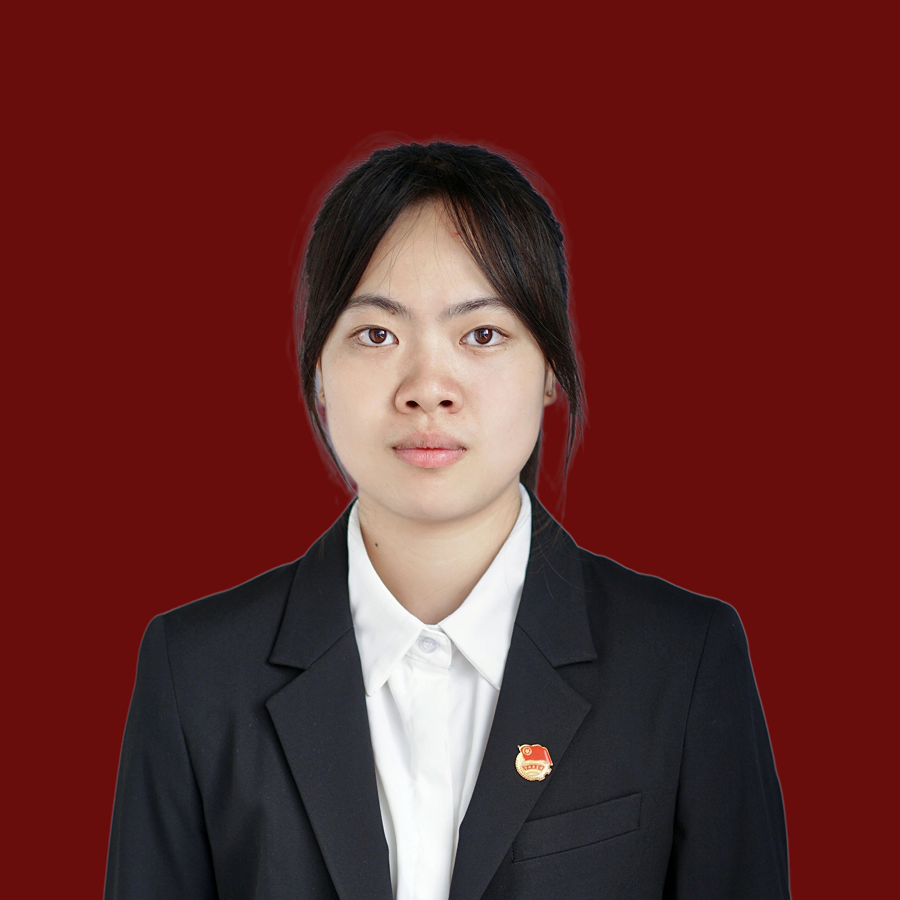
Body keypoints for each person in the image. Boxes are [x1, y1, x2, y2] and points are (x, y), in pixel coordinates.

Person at [105, 142, 790, 899]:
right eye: (377, 334)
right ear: (318, 369)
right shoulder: (195, 673)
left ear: (551, 367)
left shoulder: (683, 662)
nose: (428, 387)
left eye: (482, 334)